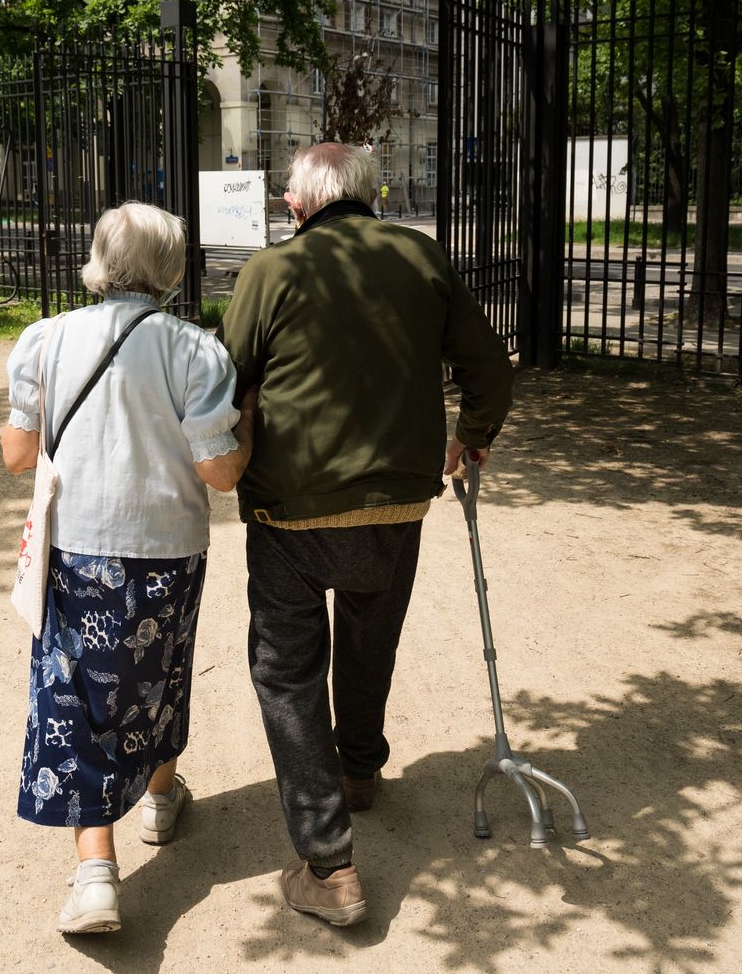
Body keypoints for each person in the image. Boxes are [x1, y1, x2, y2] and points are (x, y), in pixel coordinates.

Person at [217, 143, 513, 926]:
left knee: (286, 672)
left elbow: (226, 380)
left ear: (307, 201)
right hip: (396, 500)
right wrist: (472, 433)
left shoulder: (270, 272)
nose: (284, 205)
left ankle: (330, 865)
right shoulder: (421, 257)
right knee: (370, 633)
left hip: (291, 505)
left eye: (288, 196)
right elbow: (489, 364)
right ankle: (358, 769)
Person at [1, 202, 255, 935]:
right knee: (162, 671)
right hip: (169, 546)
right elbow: (221, 474)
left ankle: (95, 877)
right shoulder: (195, 351)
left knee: (72, 694)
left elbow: (18, 456)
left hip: (77, 546)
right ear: (173, 272)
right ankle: (160, 797)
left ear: (98, 262)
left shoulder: (45, 340)